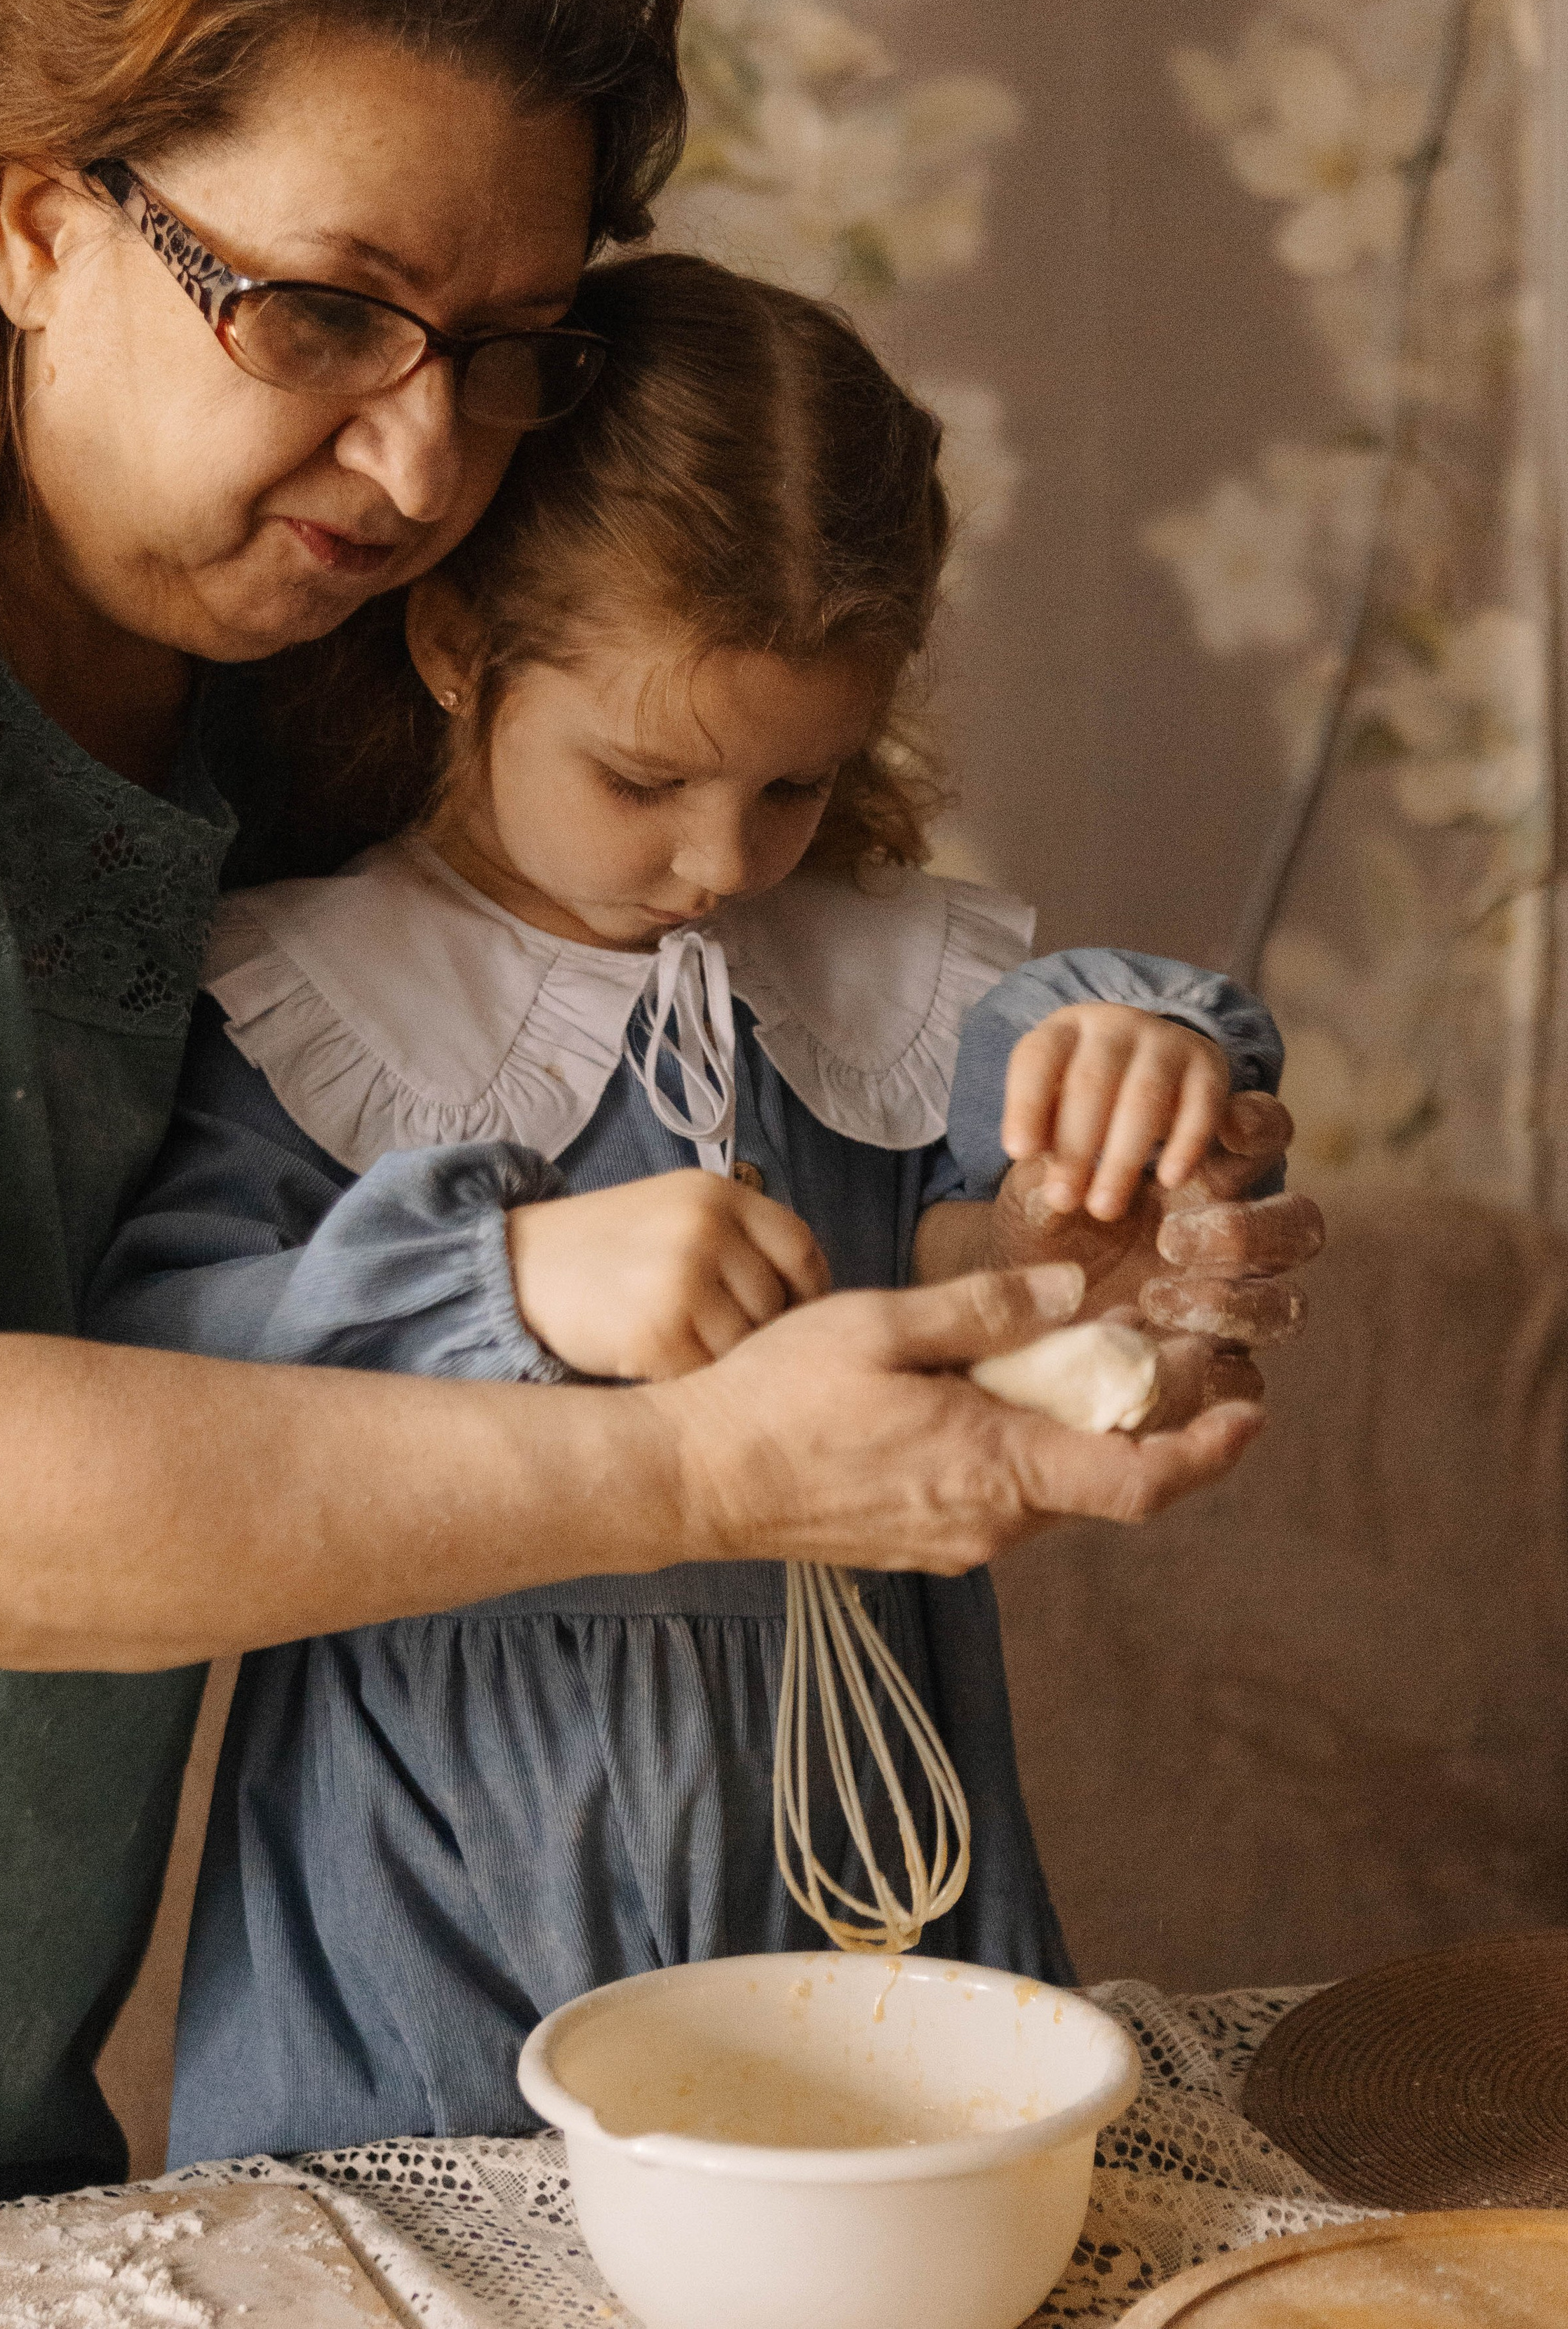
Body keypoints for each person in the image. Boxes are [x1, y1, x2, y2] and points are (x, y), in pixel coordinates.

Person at [0, 0, 1318, 2227]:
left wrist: (1116, 1170)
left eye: (502, 354)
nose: (416, 468)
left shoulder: (317, 663)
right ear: (37, 215)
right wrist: (699, 1456)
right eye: (321, 308)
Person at [89, 253, 1308, 2155]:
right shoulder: (316, 998)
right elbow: (146, 1360)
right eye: (645, 776)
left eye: (796, 790)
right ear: (456, 648)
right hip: (431, 1875)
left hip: (852, 1836)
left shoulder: (865, 988)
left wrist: (1147, 1062)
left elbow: (1054, 1162)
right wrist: (510, 1282)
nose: (721, 864)